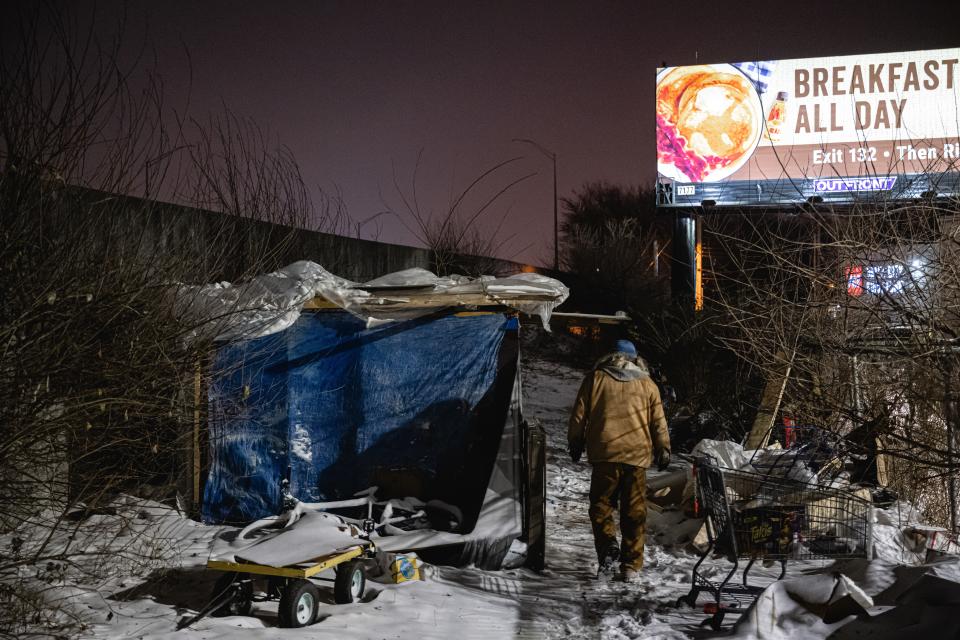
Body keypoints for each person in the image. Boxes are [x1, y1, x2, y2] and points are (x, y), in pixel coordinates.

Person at [568, 339, 671, 582]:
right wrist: (663, 448)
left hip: (605, 454)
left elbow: (579, 415)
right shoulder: (648, 384)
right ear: (635, 359)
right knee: (634, 511)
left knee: (601, 506)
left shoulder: (595, 379)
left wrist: (575, 442)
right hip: (636, 457)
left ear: (610, 356)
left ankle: (607, 549)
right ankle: (631, 566)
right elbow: (658, 420)